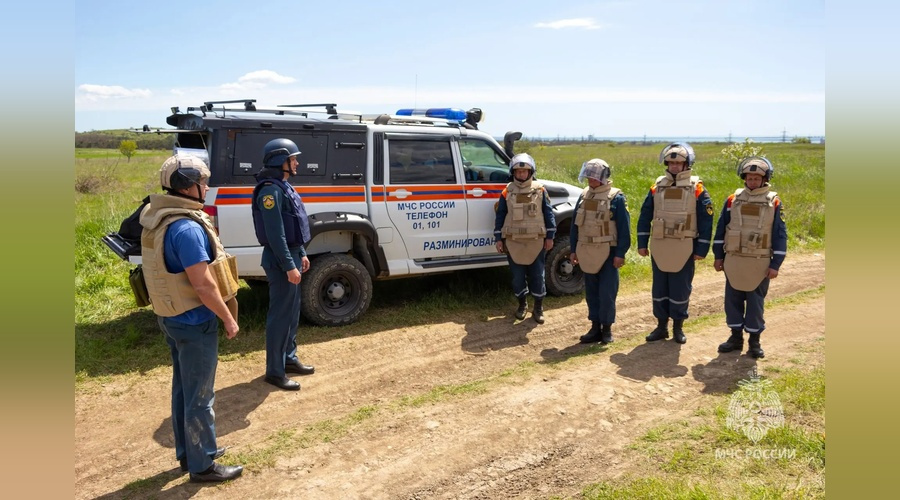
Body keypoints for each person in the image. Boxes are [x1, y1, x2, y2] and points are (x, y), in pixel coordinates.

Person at [139, 154, 243, 482]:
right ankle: (202, 466)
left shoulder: (159, 218)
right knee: (200, 395)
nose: (207, 187)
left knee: (184, 389)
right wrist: (228, 318)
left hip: (172, 318)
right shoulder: (186, 228)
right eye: (203, 182)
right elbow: (203, 285)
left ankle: (191, 453)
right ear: (186, 186)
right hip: (195, 322)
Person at [252, 138, 315, 391]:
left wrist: (302, 253)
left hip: (292, 256)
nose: (297, 163)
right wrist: (289, 265)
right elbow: (275, 234)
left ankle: (288, 358)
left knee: (292, 312)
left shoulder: (284, 186)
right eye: (293, 159)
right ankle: (275, 371)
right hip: (280, 261)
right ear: (281, 161)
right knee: (280, 316)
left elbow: (293, 226)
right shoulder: (270, 191)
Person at [636, 142, 713, 344]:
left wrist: (701, 249)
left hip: (684, 247)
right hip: (660, 245)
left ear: (687, 164)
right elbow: (645, 216)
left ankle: (678, 328)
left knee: (680, 288)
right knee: (659, 288)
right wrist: (642, 243)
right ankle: (661, 327)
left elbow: (706, 221)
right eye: (671, 163)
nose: (674, 167)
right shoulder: (657, 187)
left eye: (678, 163)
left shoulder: (697, 188)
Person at [712, 157, 787, 358]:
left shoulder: (774, 202)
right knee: (732, 301)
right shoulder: (732, 200)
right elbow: (721, 229)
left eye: (756, 178)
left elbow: (780, 235)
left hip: (759, 263)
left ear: (765, 179)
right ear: (744, 178)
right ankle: (735, 338)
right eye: (749, 178)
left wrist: (776, 264)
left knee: (755, 304)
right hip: (734, 260)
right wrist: (718, 256)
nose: (752, 181)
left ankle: (754, 342)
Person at [569, 159, 631, 344]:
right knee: (592, 292)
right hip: (586, 250)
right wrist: (573, 250)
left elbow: (624, 229)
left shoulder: (616, 198)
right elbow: (575, 226)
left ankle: (607, 329)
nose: (591, 180)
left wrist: (620, 254)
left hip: (608, 252)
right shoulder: (584, 196)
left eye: (594, 176)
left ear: (604, 177)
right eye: (588, 176)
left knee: (607, 292)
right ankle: (595, 327)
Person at [494, 153, 557, 324]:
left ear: (530, 172)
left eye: (524, 171)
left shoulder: (540, 190)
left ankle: (538, 308)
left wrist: (550, 237)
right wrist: (498, 238)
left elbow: (549, 214)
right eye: (518, 171)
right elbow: (500, 216)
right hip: (513, 242)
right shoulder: (507, 191)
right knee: (517, 277)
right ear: (513, 173)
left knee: (537, 276)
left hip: (536, 241)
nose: (521, 174)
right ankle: (522, 305)